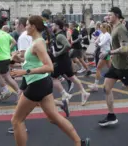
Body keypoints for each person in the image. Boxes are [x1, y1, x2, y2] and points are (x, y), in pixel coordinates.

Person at [10, 16, 90, 146]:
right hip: (42, 83)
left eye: (27, 25)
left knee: (16, 121)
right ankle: (79, 142)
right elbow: (33, 62)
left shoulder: (38, 43)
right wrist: (18, 60)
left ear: (34, 27)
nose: (25, 27)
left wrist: (25, 72)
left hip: (36, 84)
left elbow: (49, 67)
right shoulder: (36, 41)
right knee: (54, 118)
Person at [51, 19, 90, 106]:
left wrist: (58, 53)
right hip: (65, 60)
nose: (52, 27)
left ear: (57, 26)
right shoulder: (58, 35)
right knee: (72, 77)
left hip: (61, 61)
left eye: (53, 25)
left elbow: (68, 45)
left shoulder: (59, 36)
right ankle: (84, 93)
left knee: (53, 78)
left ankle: (64, 94)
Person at [0, 19, 20, 99]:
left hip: (1, 59)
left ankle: (19, 93)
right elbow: (14, 42)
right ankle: (6, 90)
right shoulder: (5, 34)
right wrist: (7, 49)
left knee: (8, 78)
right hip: (6, 58)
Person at [89, 23, 112, 92]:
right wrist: (96, 42)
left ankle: (95, 85)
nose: (100, 29)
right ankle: (123, 77)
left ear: (105, 28)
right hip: (104, 52)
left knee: (98, 68)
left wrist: (97, 43)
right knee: (111, 67)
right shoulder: (102, 34)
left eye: (101, 28)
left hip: (105, 53)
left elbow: (101, 43)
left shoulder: (107, 35)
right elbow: (96, 41)